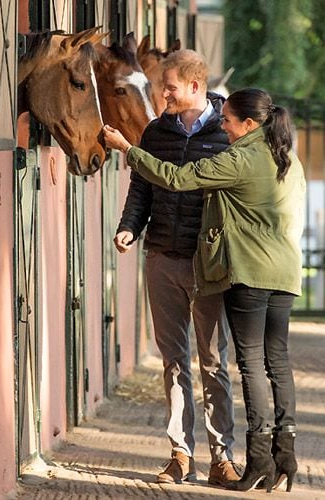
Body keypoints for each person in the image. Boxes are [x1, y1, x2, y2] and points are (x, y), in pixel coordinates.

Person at [103, 87, 305, 493]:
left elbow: (177, 179)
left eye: (229, 120)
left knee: (248, 365)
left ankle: (259, 459)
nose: (224, 125)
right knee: (277, 362)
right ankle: (286, 451)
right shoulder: (288, 158)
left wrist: (127, 147)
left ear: (249, 124)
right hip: (285, 272)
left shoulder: (240, 157)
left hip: (248, 273)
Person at [113, 49, 239, 486]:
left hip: (207, 266)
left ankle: (222, 457)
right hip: (161, 257)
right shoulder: (156, 131)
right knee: (173, 363)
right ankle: (180, 455)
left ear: (194, 87)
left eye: (168, 87)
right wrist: (130, 227)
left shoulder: (228, 133)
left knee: (214, 362)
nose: (161, 93)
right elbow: (141, 187)